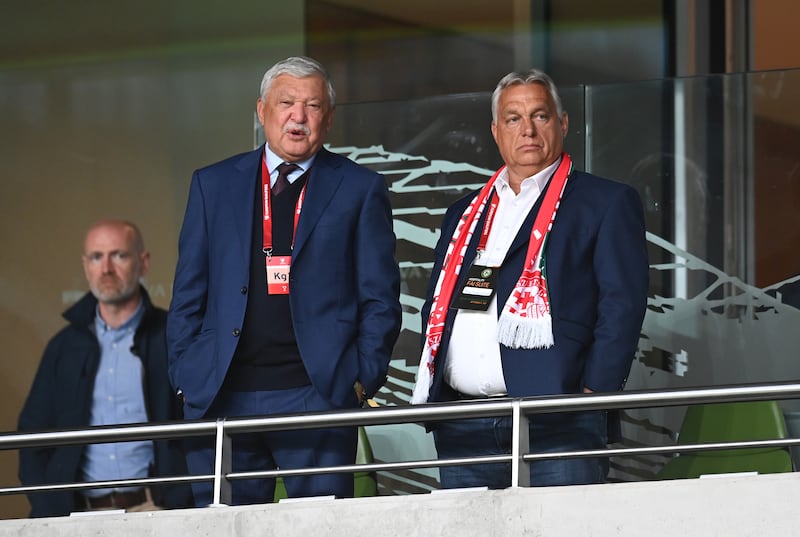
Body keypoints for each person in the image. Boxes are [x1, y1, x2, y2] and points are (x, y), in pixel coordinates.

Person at [167, 55, 401, 506]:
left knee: (320, 528)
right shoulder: (212, 185)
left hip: (318, 393)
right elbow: (188, 293)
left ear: (328, 119)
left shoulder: (359, 188)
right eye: (286, 102)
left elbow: (380, 298)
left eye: (312, 106)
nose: (298, 116)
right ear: (262, 111)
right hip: (221, 394)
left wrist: (359, 379)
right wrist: (185, 373)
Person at [411, 69, 649, 488]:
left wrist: (595, 395)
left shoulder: (605, 202)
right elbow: (439, 306)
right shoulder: (463, 213)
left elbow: (622, 307)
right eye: (513, 118)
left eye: (540, 116)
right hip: (463, 424)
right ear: (496, 131)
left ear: (563, 123)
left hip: (557, 425)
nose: (528, 130)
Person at [18, 219, 193, 517]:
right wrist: (51, 508)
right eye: (97, 257)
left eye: (119, 255)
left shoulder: (172, 337)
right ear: (86, 266)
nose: (107, 268)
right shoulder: (63, 348)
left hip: (159, 512)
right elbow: (31, 439)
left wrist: (183, 498)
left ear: (144, 262)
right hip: (78, 519)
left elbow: (199, 426)